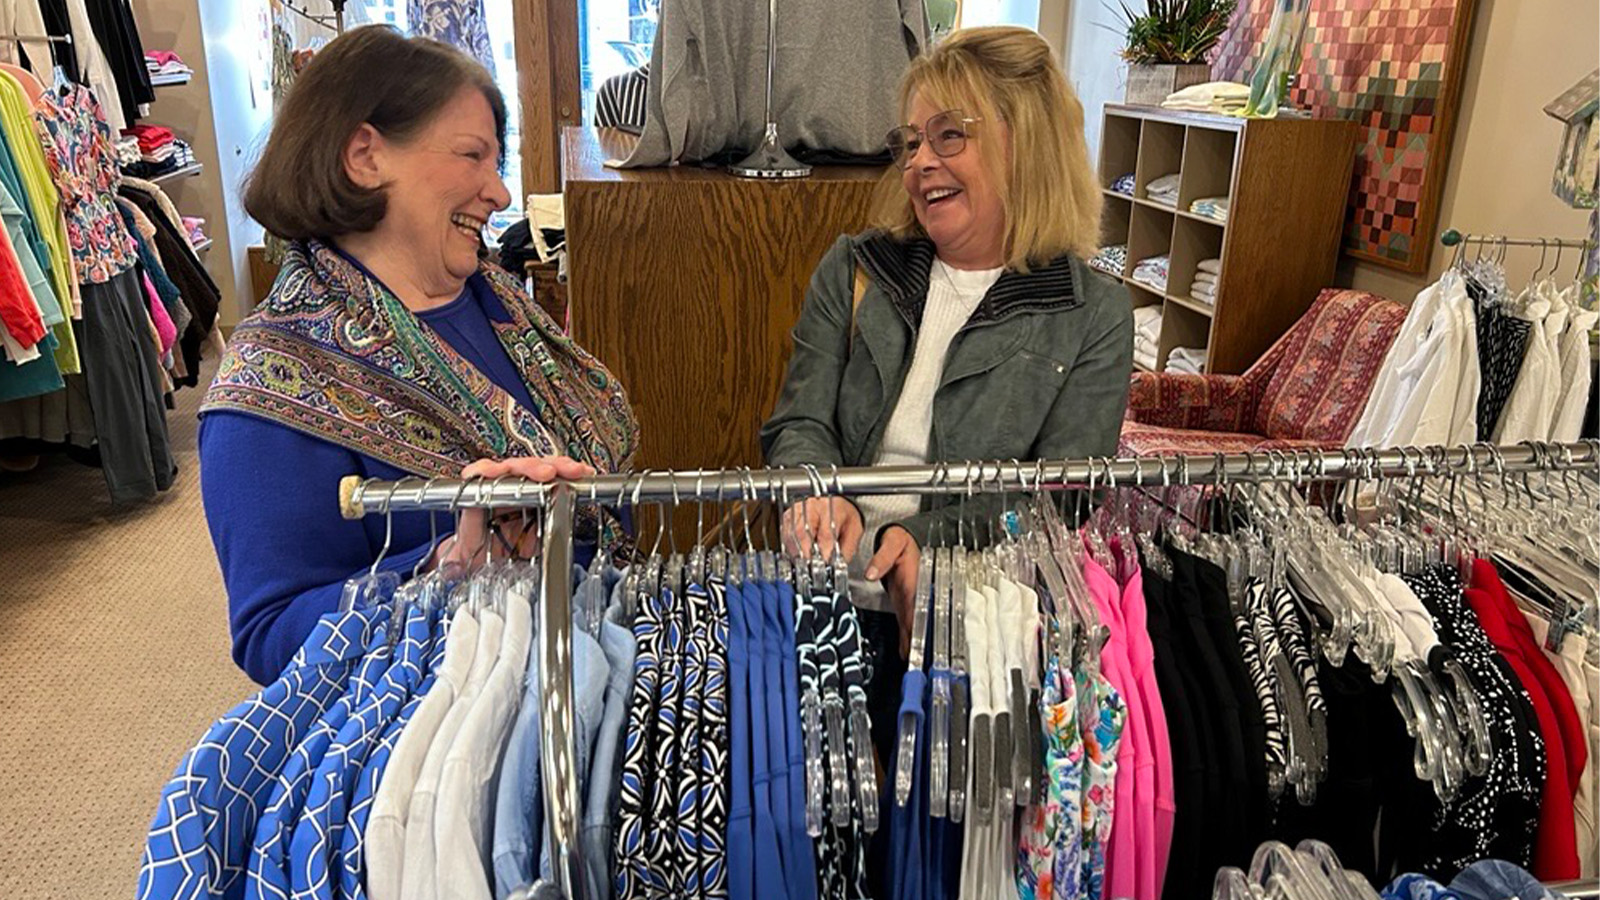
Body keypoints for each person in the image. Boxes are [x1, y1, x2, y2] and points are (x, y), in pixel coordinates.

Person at [200, 27, 638, 685]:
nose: (497, 193)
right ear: (365, 155)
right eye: (473, 156)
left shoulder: (500, 304)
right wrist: (445, 569)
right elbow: (270, 635)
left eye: (497, 163)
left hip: (594, 657)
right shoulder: (271, 381)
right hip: (449, 721)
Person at [760, 26, 1132, 678]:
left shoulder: (1093, 315)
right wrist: (813, 495)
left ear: (1028, 142)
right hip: (819, 604)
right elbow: (799, 423)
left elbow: (1060, 498)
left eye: (948, 135)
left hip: (974, 626)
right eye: (910, 143)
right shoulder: (855, 269)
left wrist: (922, 544)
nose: (919, 162)